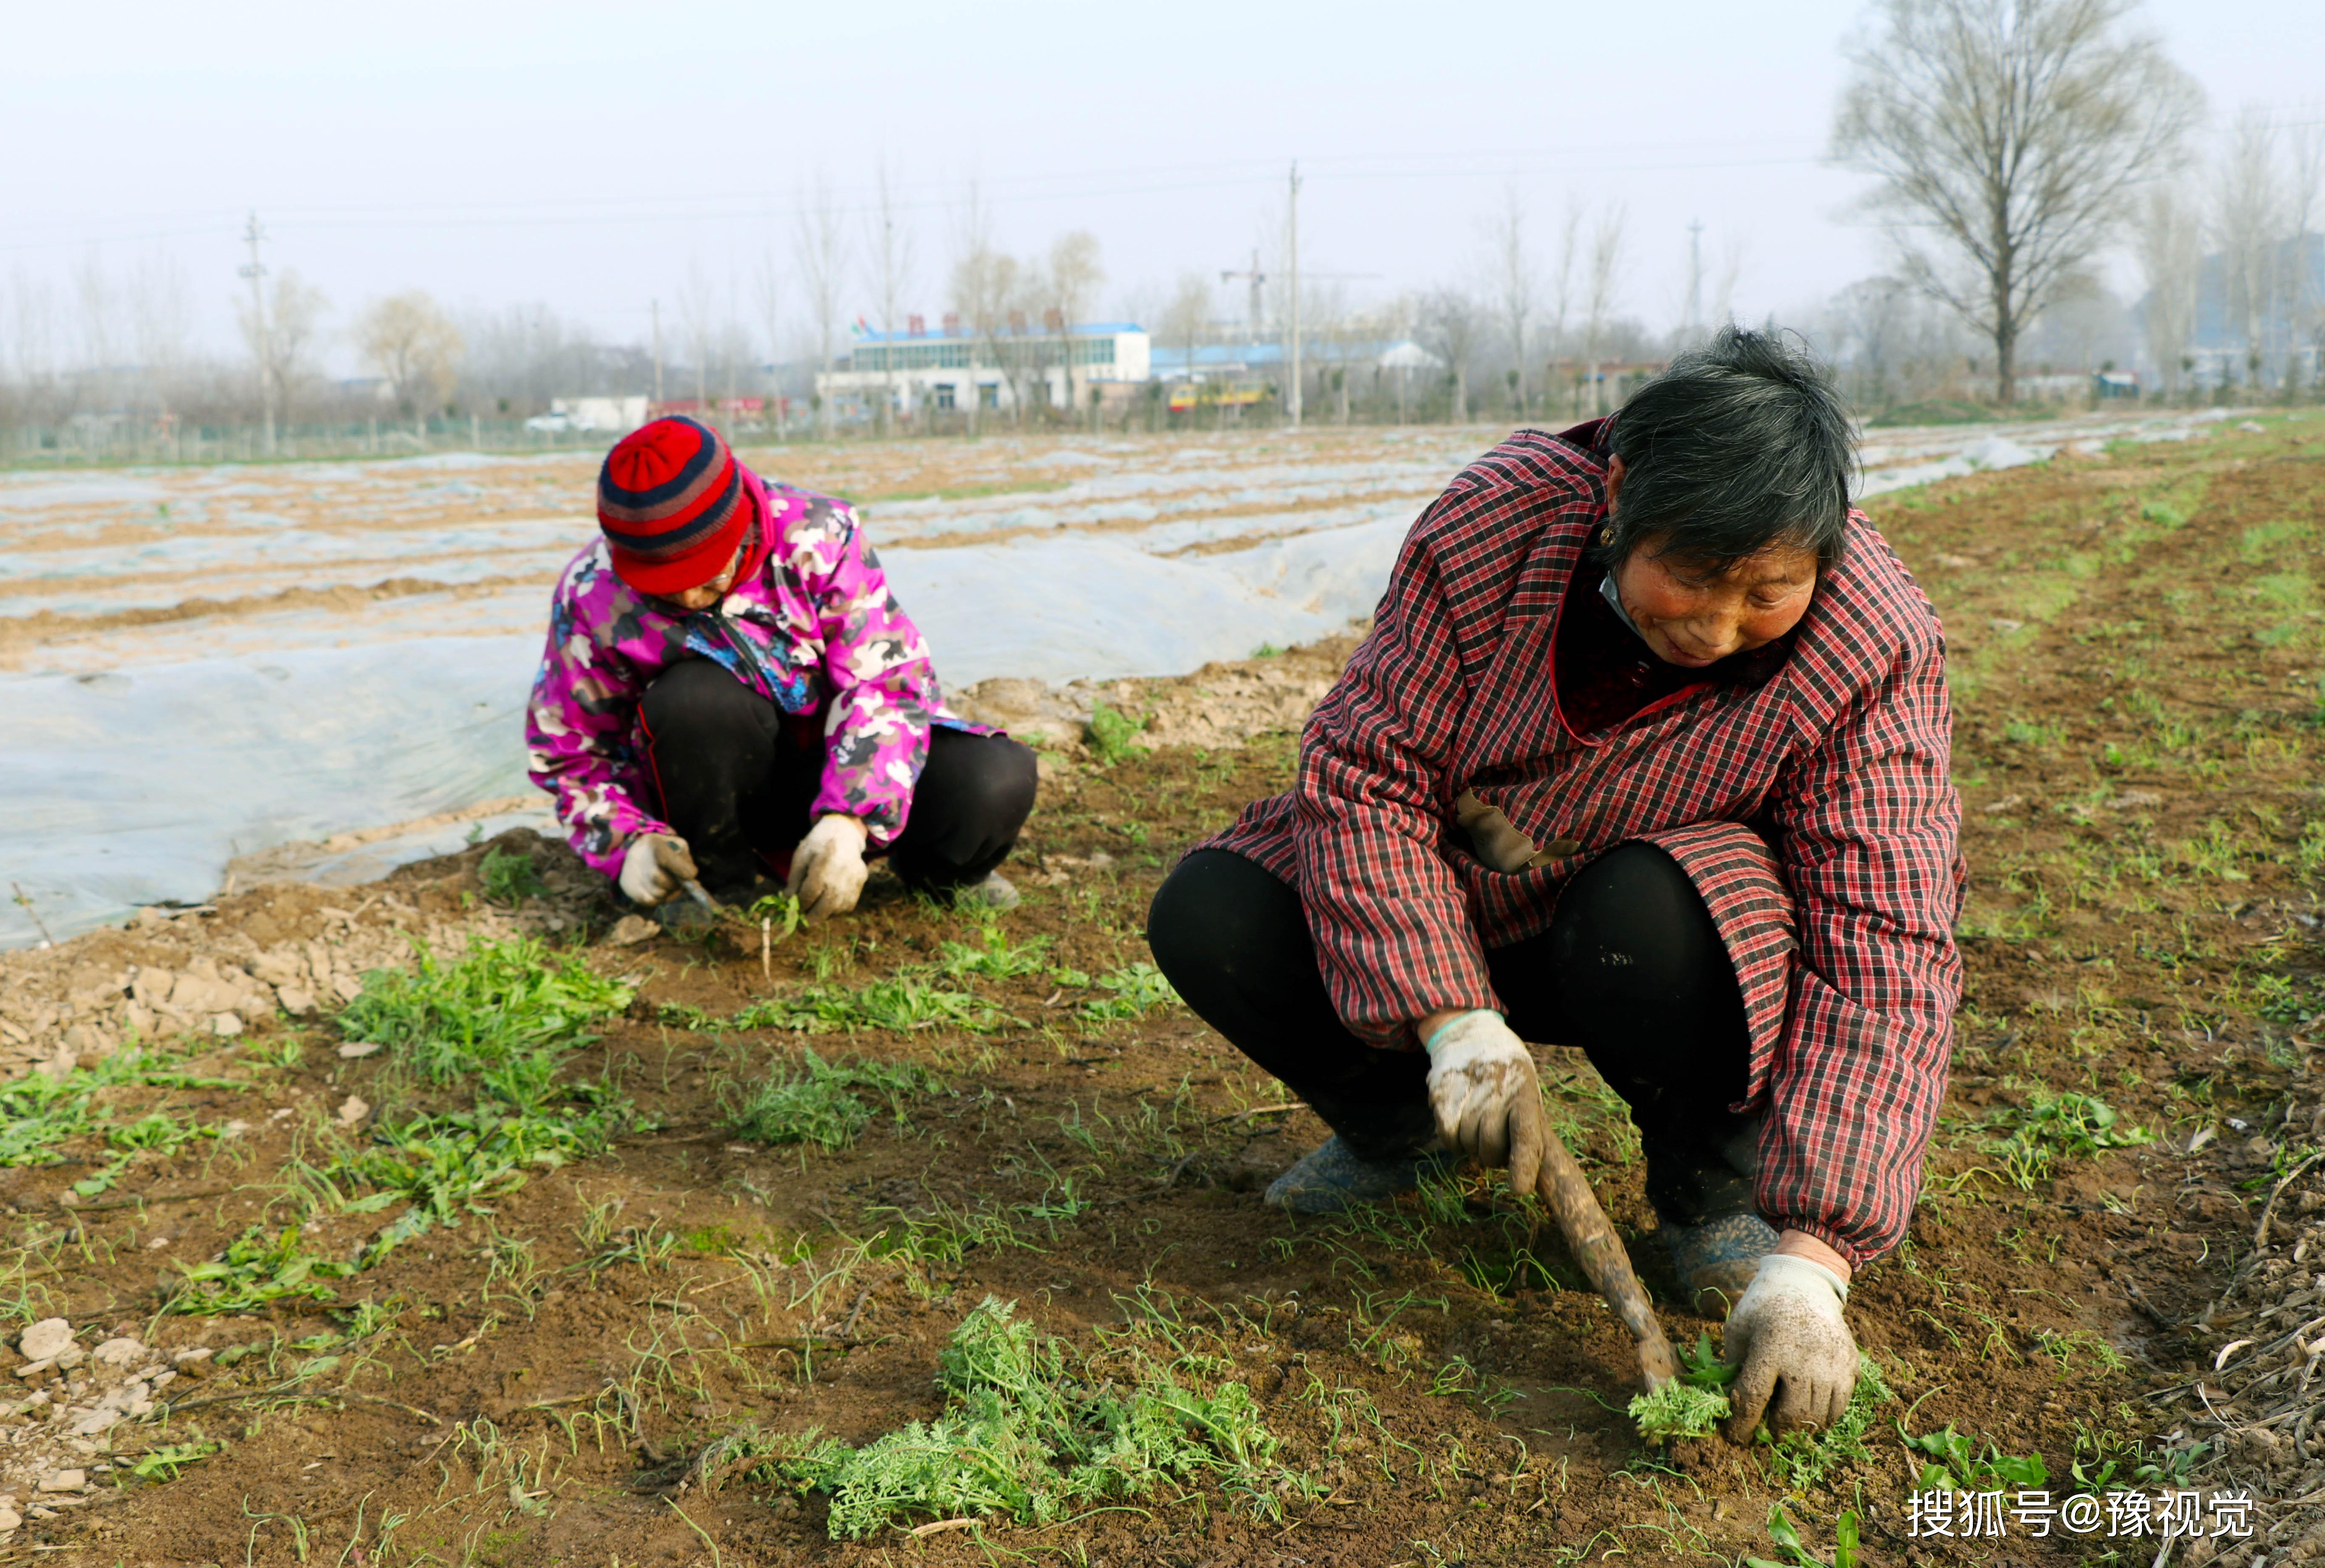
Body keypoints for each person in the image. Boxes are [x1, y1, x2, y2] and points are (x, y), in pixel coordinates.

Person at [1146, 328, 1961, 1443]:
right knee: (1217, 912)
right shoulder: (1504, 520)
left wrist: (1814, 1261)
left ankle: (1711, 1186)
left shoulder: (1869, 644)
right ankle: (1402, 1130)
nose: (1717, 629)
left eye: (1766, 591)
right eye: (1693, 578)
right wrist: (1452, 1021)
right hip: (1462, 896)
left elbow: (1886, 936)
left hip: (1658, 930)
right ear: (1621, 493)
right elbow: (1367, 771)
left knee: (1649, 909)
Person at [527, 416, 1038, 925]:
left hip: (832, 766)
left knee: (994, 778)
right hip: (711, 797)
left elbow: (887, 684)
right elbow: (572, 751)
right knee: (695, 699)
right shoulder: (592, 592)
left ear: (742, 523)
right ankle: (719, 886)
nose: (686, 597)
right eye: (663, 584)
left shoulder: (818, 536)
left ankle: (934, 873)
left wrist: (851, 819)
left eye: (706, 575)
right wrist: (626, 842)